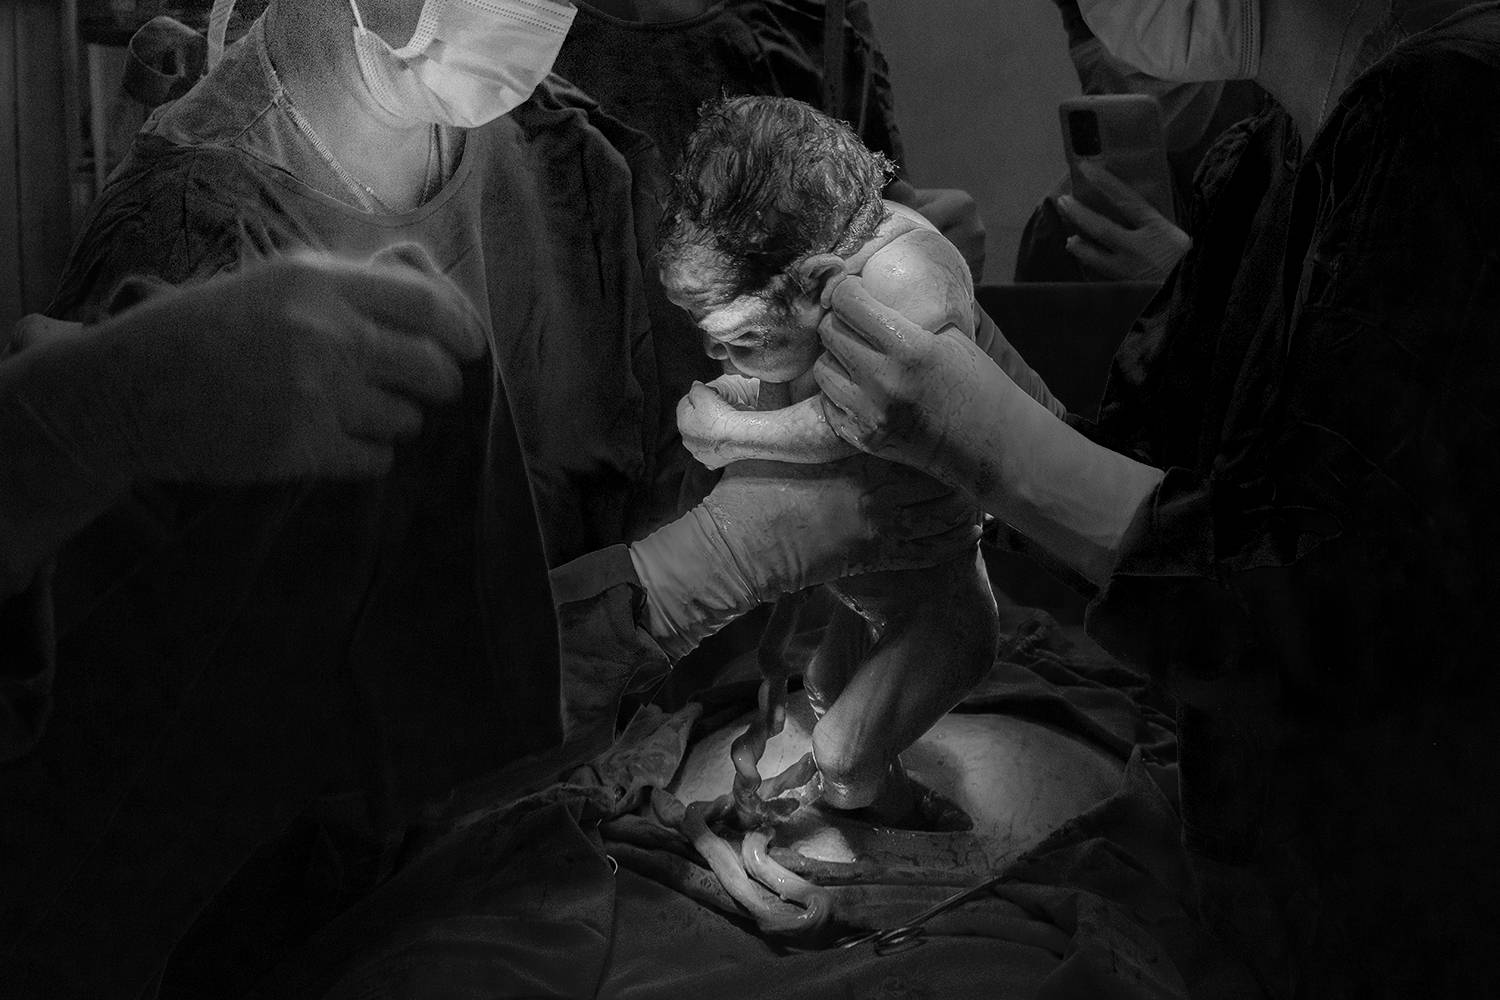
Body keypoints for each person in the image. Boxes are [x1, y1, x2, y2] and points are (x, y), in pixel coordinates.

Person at [0, 1, 977, 995]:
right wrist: (679, 581)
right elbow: (195, 819)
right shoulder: (190, 262)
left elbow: (677, 486)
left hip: (596, 812)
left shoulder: (570, 159)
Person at [811, 0, 1500, 994]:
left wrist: (993, 443)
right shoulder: (1276, 149)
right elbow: (1153, 479)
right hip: (1265, 874)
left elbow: (1304, 590)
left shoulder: (1454, 116)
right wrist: (959, 347)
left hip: (1415, 912)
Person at [1013, 0, 1264, 283]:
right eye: (1091, 26)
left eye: (1158, 16)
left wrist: (1187, 285)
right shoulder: (1066, 224)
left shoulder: (1290, 168)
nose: (1134, 51)